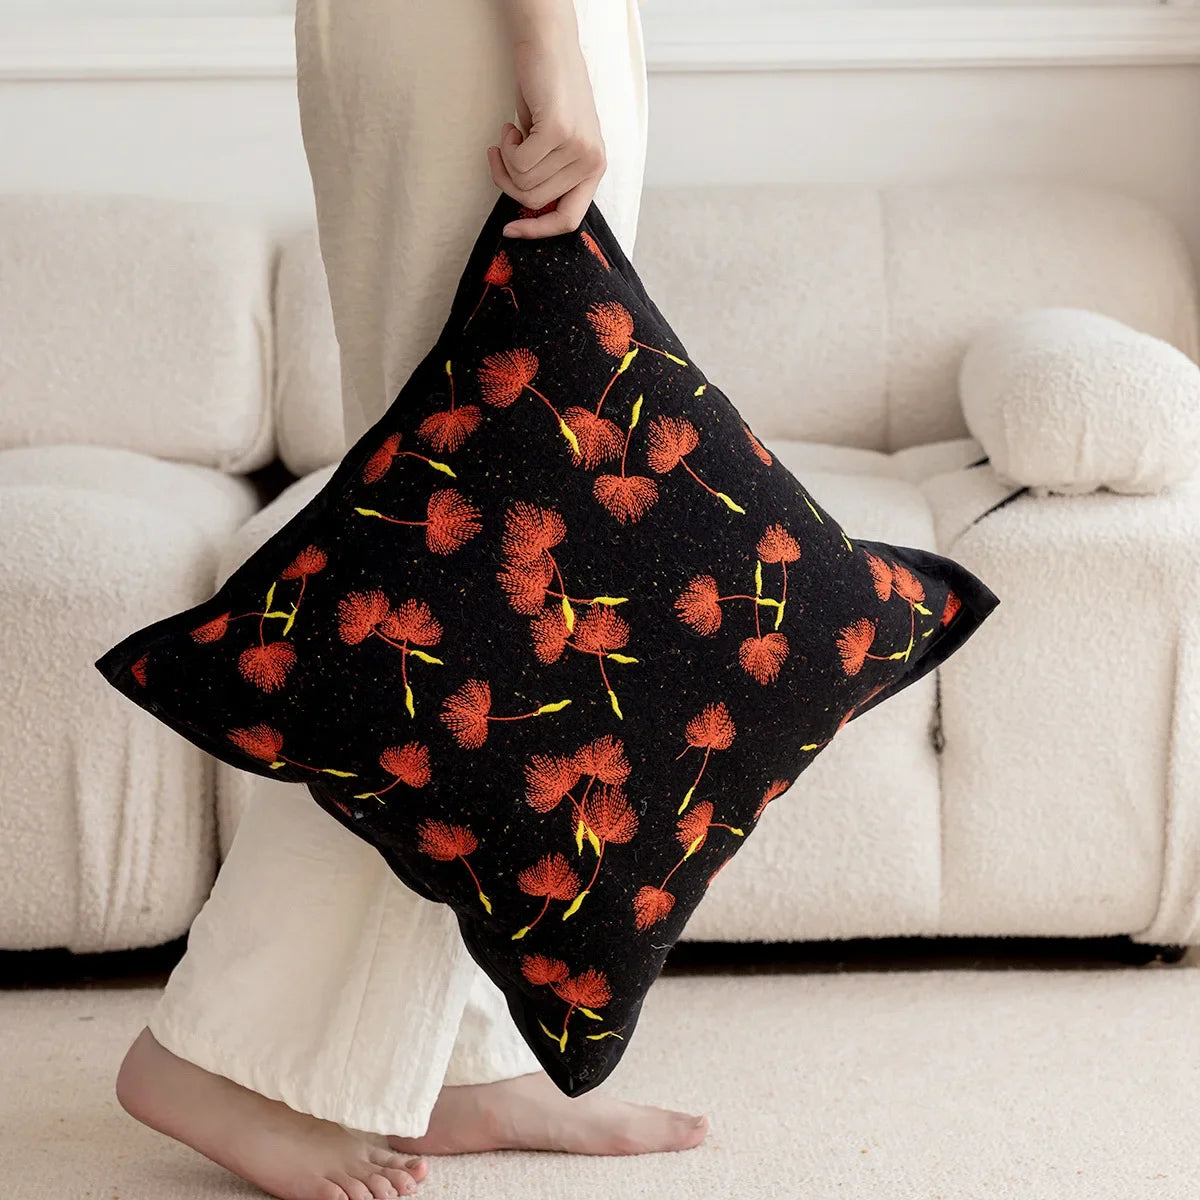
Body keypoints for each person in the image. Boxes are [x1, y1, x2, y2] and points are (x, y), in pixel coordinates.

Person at [113, 3, 709, 1198]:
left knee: (498, 561)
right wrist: (548, 50)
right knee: (455, 576)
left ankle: (462, 1059)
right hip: (482, 33)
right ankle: (214, 1052)